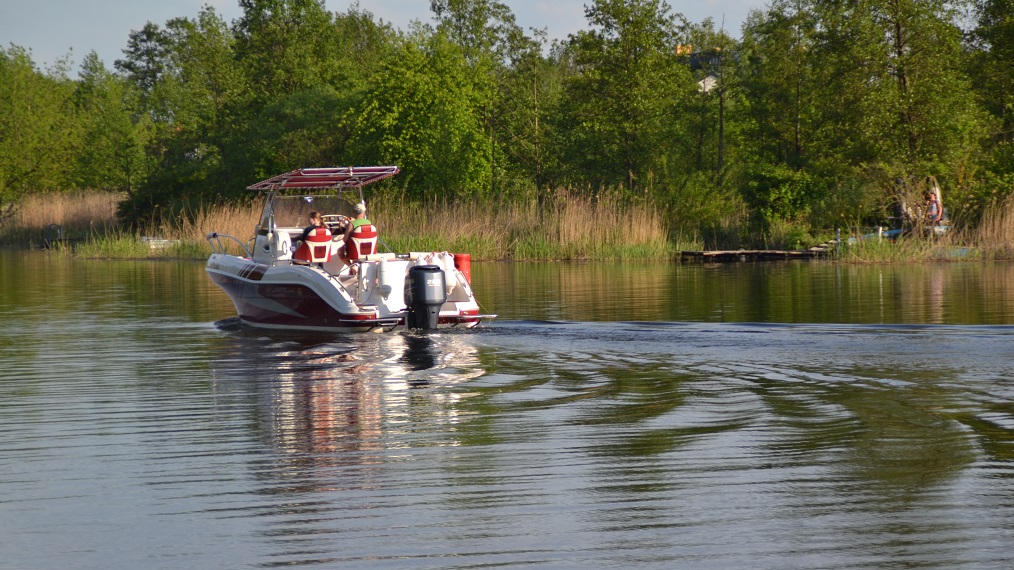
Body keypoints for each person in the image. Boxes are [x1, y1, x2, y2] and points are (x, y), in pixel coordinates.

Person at [339, 202, 373, 273]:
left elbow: (345, 240)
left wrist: (345, 226)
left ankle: (352, 266)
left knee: (339, 251)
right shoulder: (369, 223)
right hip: (368, 250)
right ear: (364, 212)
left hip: (355, 252)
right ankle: (354, 267)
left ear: (354, 212)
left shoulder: (352, 224)